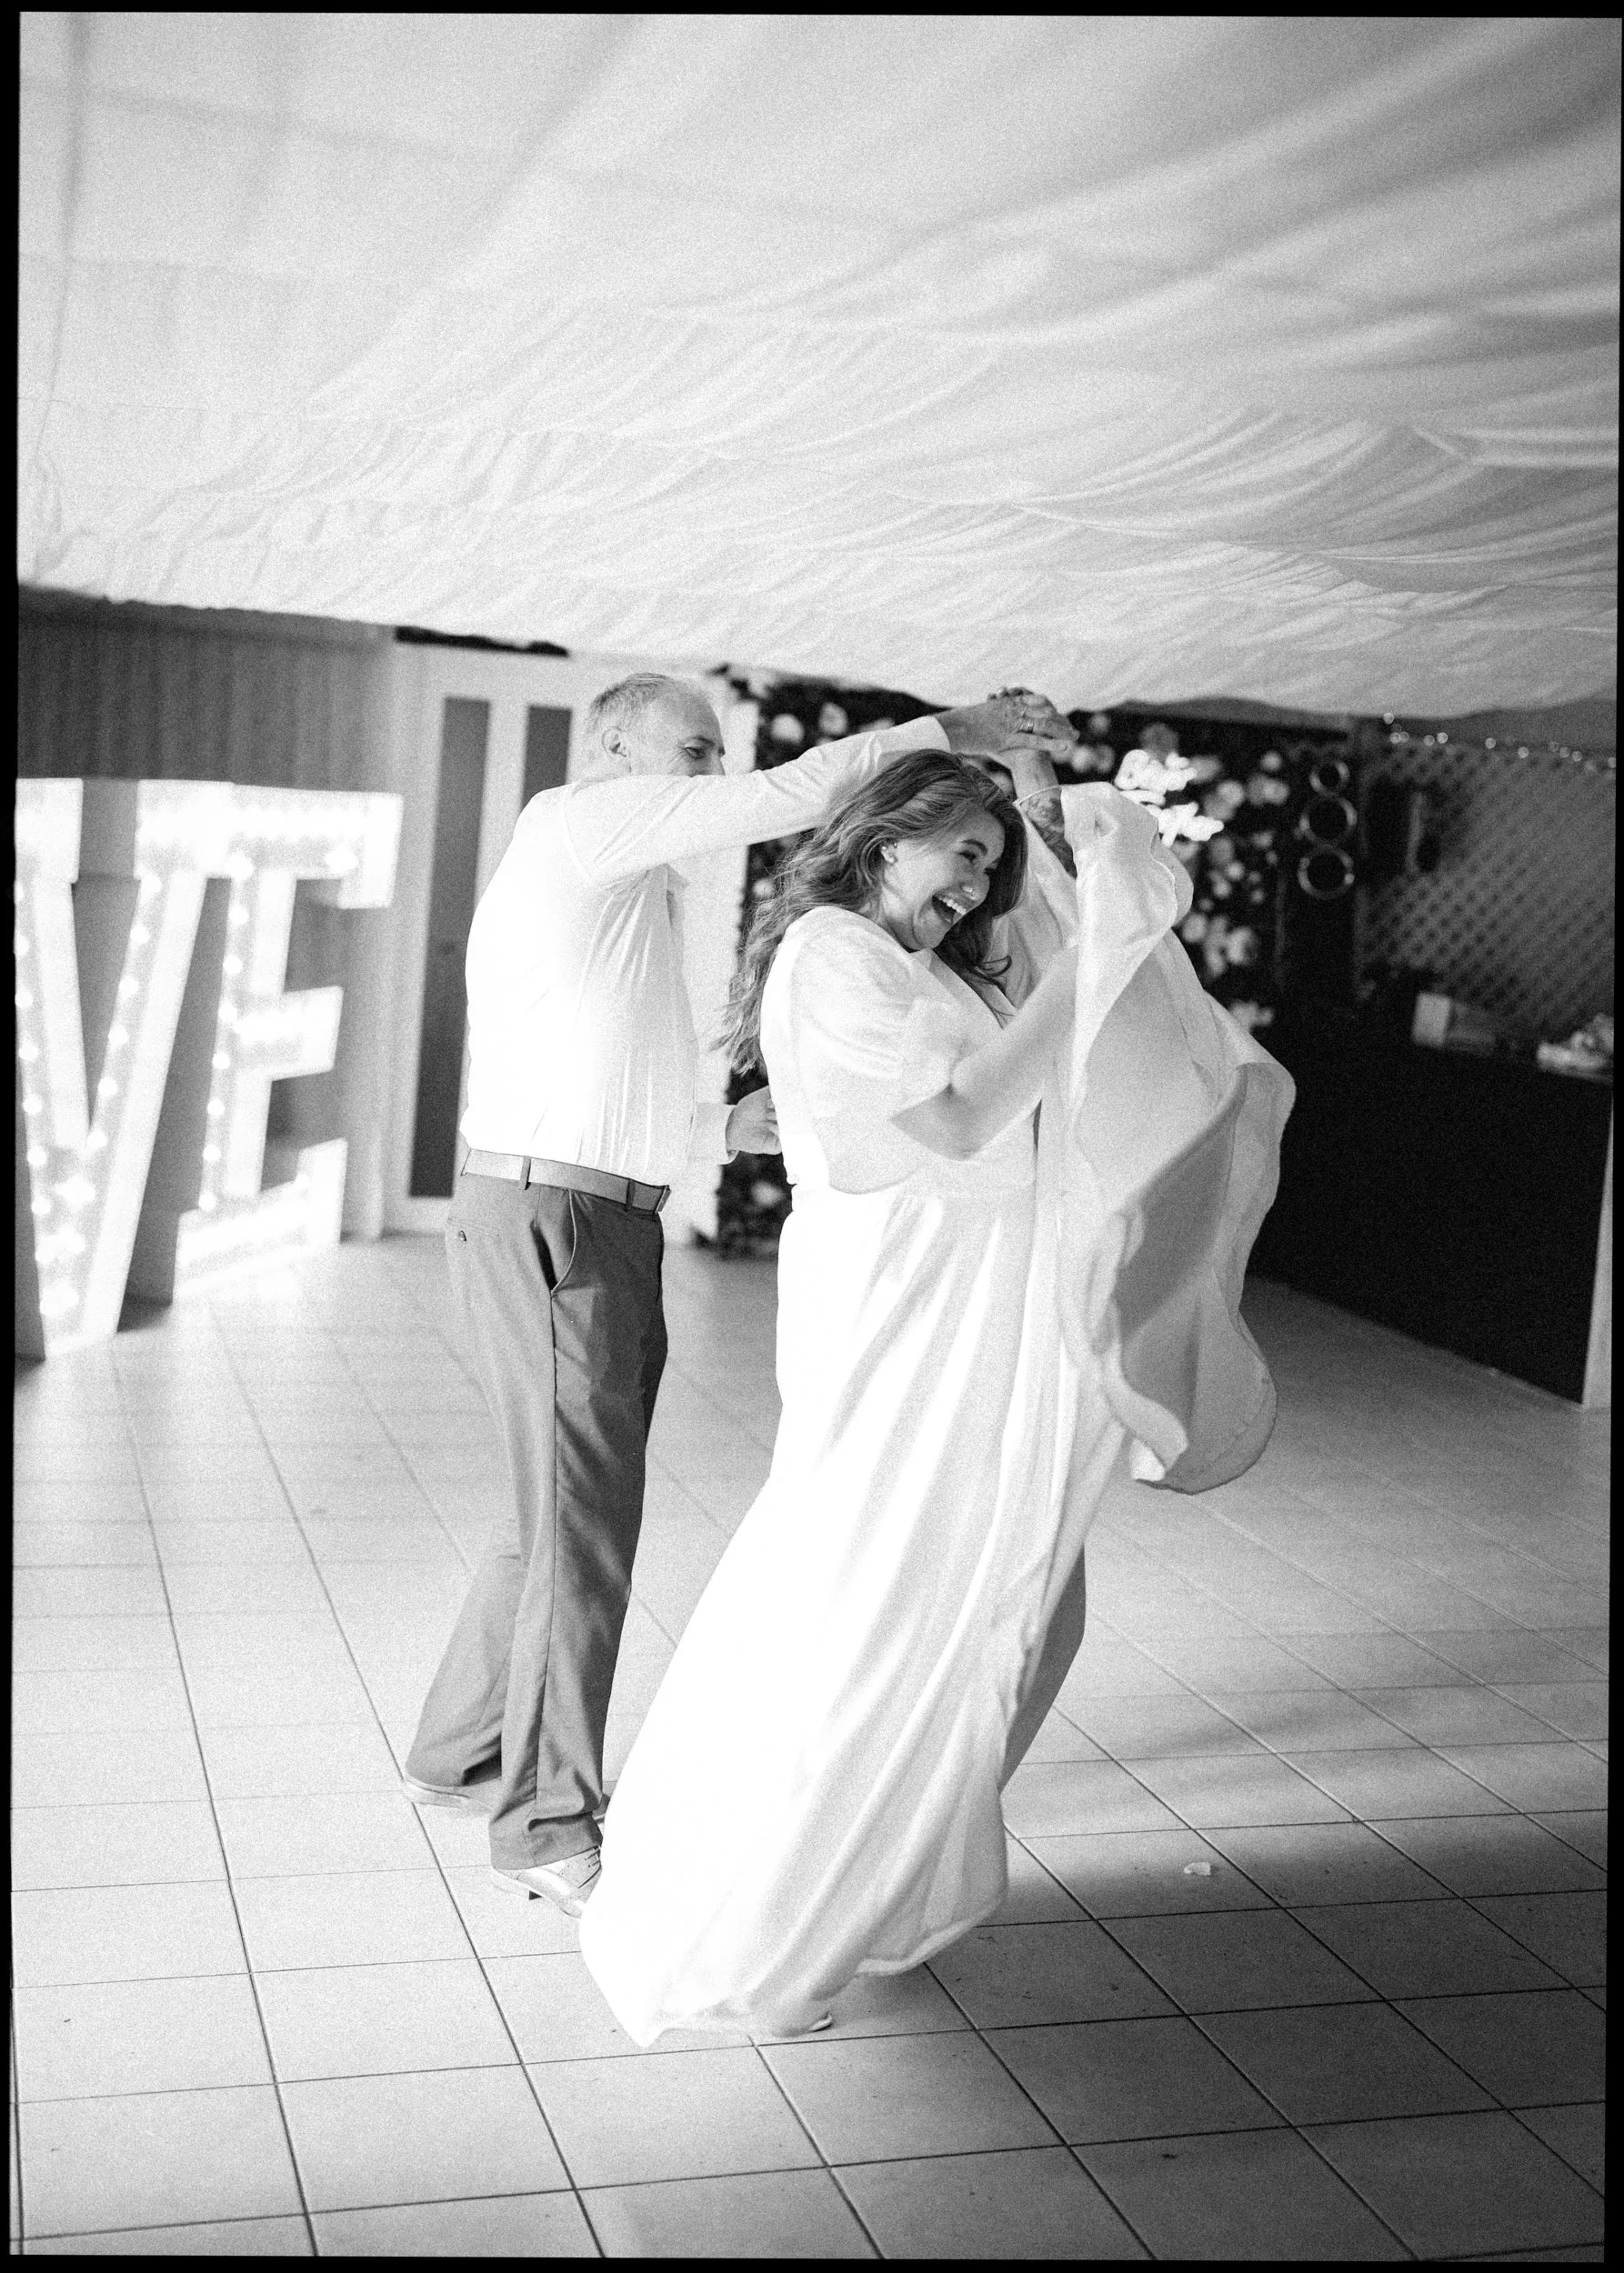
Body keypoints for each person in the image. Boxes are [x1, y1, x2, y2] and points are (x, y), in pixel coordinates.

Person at [579, 743, 1293, 2041]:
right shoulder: (830, 954)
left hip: (977, 1305)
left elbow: (1035, 1064)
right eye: (959, 848)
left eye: (987, 856)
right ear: (882, 834)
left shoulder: (920, 969)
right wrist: (1078, 976)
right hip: (903, 1311)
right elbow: (959, 1124)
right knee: (870, 1591)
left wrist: (1069, 869)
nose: (977, 878)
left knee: (1002, 1597)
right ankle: (767, 1911)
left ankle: (883, 1862)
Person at [400, 672, 1062, 1914]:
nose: (709, 776)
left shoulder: (619, 889)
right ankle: (546, 1829)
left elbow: (586, 1070)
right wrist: (950, 737)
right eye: (691, 749)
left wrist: (718, 1123)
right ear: (611, 742)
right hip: (560, 1218)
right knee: (577, 1531)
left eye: (714, 756)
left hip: (601, 1212)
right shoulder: (572, 821)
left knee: (545, 1514)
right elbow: (786, 794)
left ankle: (456, 1753)